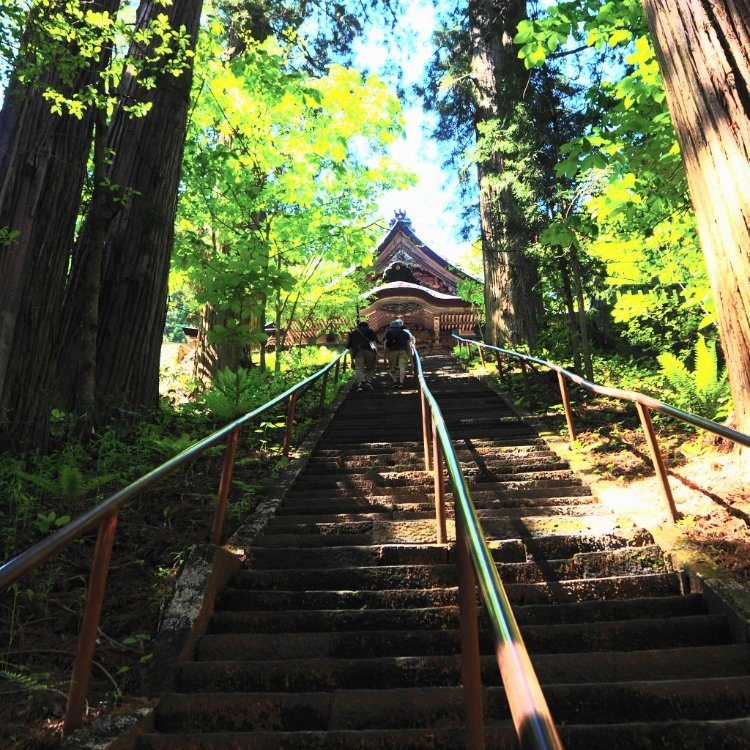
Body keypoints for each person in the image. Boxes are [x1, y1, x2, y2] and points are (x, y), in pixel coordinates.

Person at [346, 320, 378, 392]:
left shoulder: (353, 333)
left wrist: (351, 359)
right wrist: (376, 354)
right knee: (371, 367)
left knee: (359, 367)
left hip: (358, 351)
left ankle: (361, 382)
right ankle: (367, 381)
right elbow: (374, 343)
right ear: (367, 326)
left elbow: (350, 347)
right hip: (369, 351)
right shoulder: (370, 331)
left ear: (359, 327)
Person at [383, 318, 415, 389]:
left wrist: (384, 357)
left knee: (392, 369)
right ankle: (401, 383)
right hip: (403, 351)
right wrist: (409, 355)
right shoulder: (405, 333)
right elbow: (408, 345)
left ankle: (395, 382)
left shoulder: (388, 332)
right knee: (402, 367)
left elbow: (385, 345)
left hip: (392, 351)